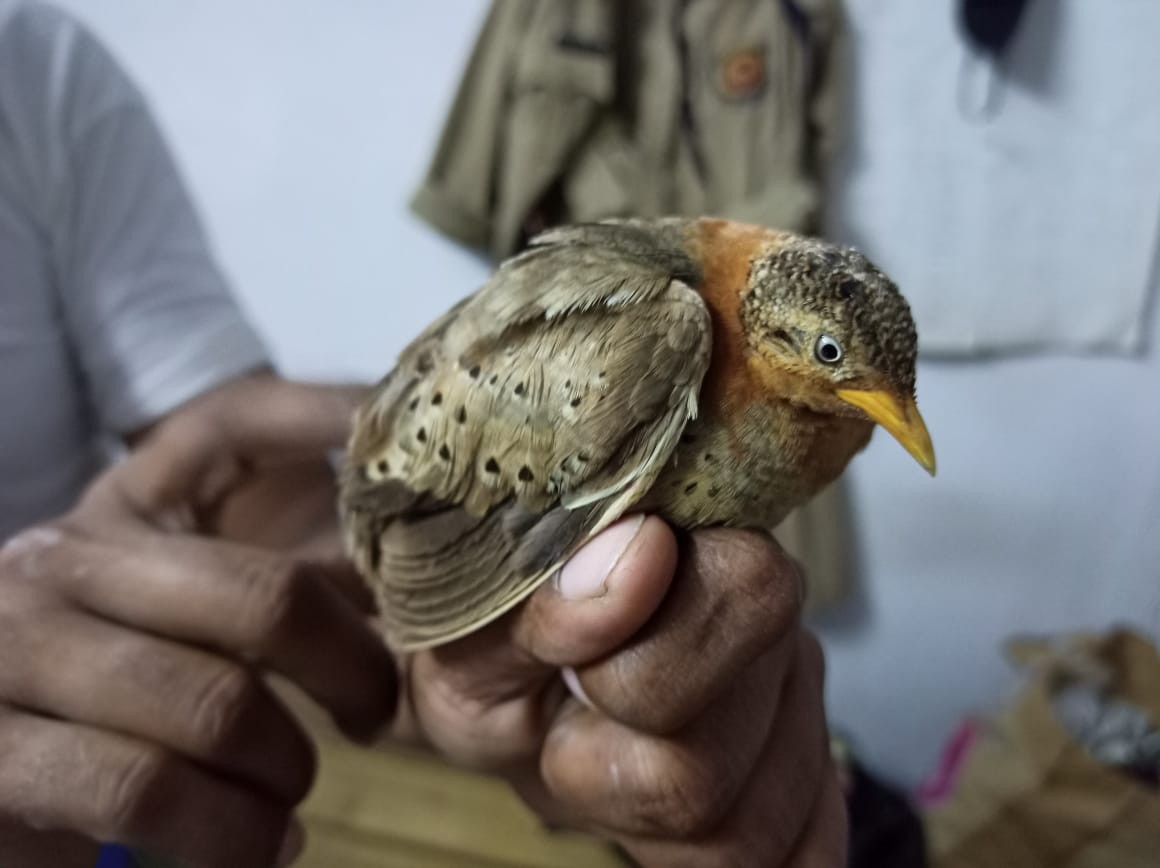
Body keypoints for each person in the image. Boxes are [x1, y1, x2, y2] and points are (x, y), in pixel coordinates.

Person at [0, 3, 845, 866]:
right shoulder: (664, 326)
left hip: (122, 800)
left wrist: (403, 620)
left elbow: (218, 460)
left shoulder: (31, 60)